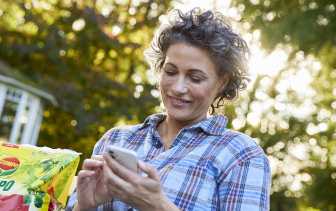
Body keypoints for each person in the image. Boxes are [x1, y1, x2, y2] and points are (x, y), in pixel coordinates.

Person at [67, 7, 271, 211]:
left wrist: (158, 206)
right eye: (171, 72)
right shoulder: (116, 140)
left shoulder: (241, 155)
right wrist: (84, 205)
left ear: (222, 83)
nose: (178, 88)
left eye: (195, 78)